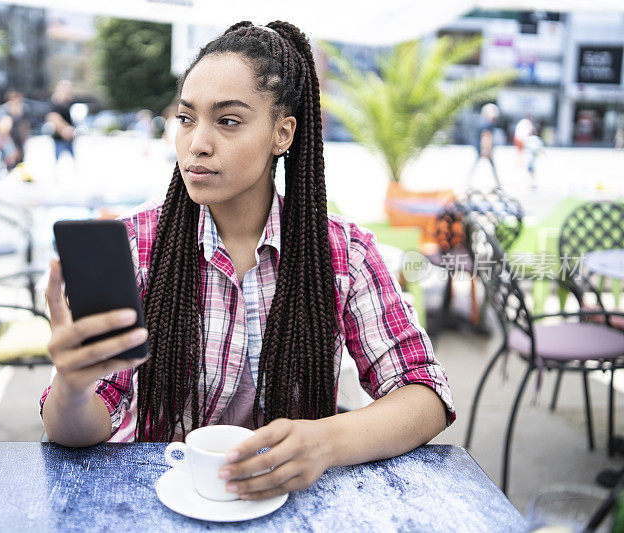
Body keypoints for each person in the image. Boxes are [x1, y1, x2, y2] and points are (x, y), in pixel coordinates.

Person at [40, 21, 454, 500]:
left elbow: (425, 395)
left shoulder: (342, 253)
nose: (197, 142)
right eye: (187, 118)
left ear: (282, 133)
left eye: (228, 121)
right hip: (159, 502)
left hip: (297, 505)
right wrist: (72, 386)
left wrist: (325, 441)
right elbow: (78, 428)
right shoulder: (139, 247)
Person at [46, 80, 75, 162]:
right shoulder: (57, 101)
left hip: (68, 137)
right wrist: (64, 129)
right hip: (60, 138)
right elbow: (52, 117)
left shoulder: (66, 102)